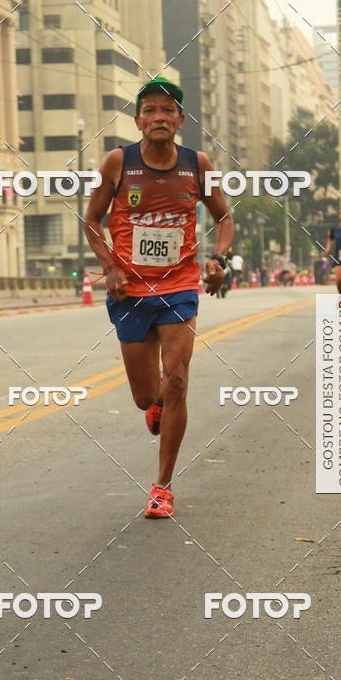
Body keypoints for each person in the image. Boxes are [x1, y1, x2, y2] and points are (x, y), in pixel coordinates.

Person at [83, 76, 233, 518]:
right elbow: (92, 220)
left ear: (180, 120)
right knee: (146, 395)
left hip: (180, 286)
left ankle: (162, 487)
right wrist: (109, 266)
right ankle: (156, 407)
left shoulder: (197, 164)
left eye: (167, 110)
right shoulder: (118, 162)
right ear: (138, 121)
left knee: (179, 379)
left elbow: (223, 216)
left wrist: (220, 260)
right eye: (149, 110)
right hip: (129, 290)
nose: (159, 117)